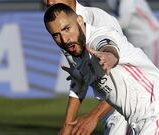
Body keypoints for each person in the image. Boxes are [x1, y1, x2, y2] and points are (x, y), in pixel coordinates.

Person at [44, 3, 159, 135]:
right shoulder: (79, 55)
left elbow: (108, 45)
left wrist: (109, 56)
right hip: (144, 124)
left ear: (80, 21)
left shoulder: (99, 36)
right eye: (56, 35)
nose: (65, 39)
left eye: (67, 29)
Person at [43, 0, 130, 135]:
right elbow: (80, 76)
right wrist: (67, 125)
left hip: (128, 104)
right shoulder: (62, 31)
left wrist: (94, 116)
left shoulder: (98, 19)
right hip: (111, 105)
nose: (50, 1)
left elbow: (126, 78)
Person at [106, 0, 159, 93]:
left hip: (150, 39)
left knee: (153, 77)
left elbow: (124, 21)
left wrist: (104, 26)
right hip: (135, 41)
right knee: (140, 76)